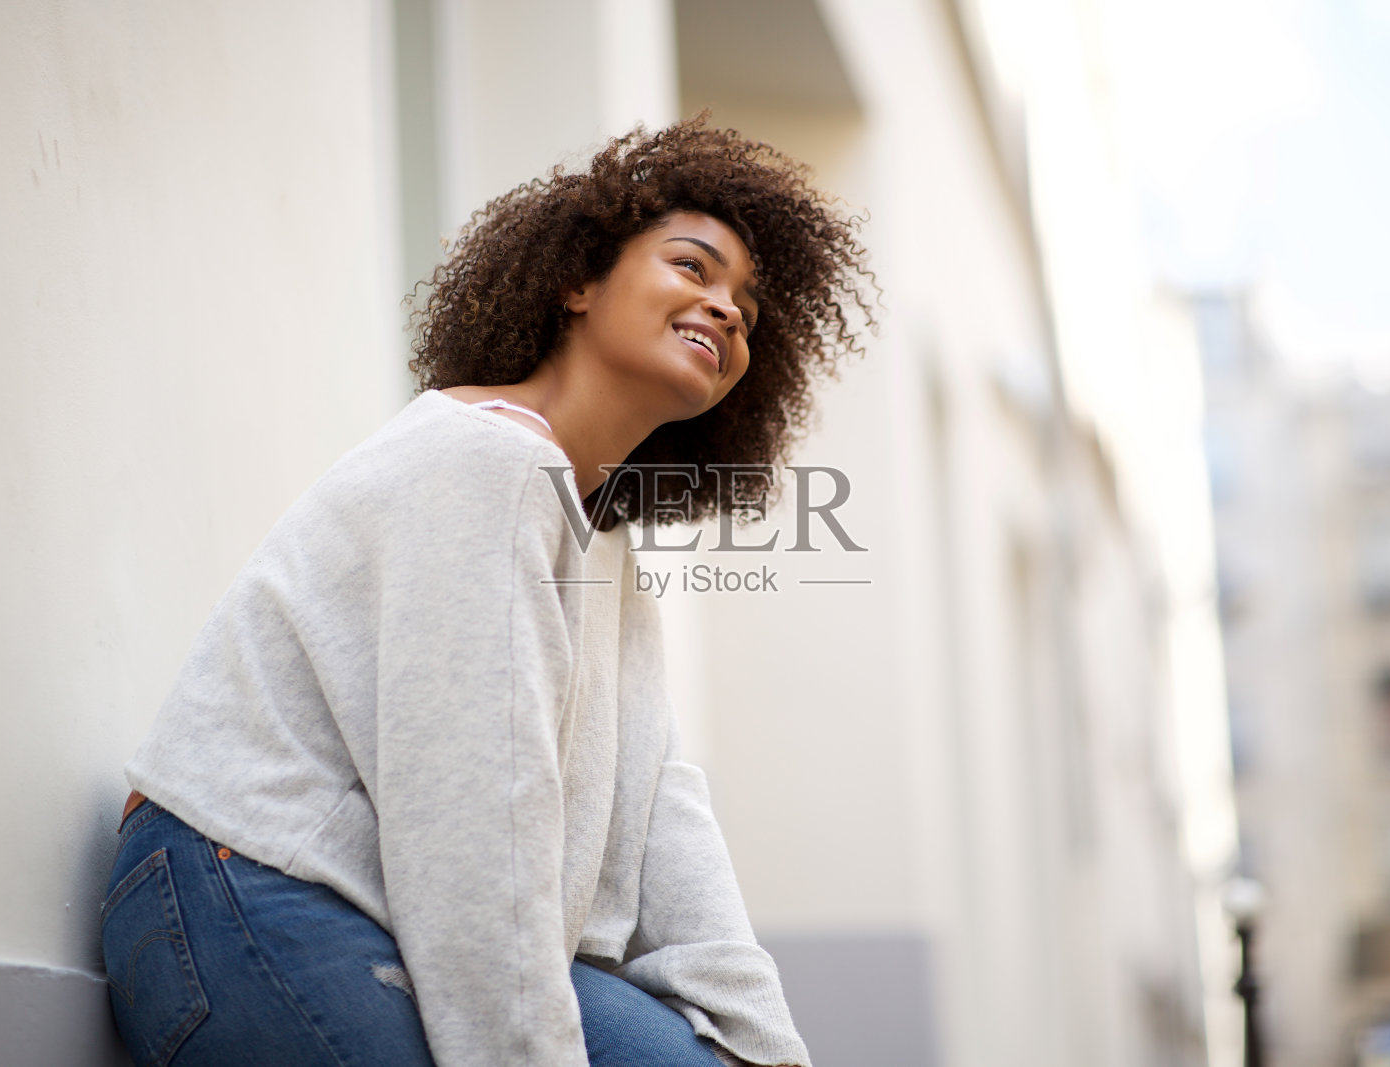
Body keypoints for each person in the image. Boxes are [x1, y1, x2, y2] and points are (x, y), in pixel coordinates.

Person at [100, 117, 872, 1067]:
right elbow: (476, 825)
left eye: (746, 309)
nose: (725, 309)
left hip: (388, 908)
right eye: (691, 267)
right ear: (577, 280)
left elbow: (670, 826)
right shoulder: (484, 462)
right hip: (241, 886)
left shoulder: (607, 556)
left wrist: (766, 1052)